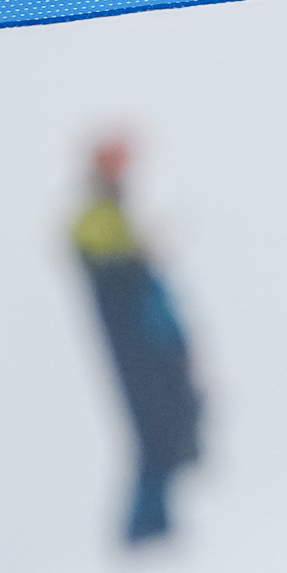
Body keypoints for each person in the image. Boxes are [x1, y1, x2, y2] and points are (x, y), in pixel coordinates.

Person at [71, 137, 202, 546]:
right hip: (140, 353)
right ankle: (145, 529)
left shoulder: (116, 218)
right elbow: (106, 263)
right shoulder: (97, 219)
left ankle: (155, 525)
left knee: (170, 434)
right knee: (156, 439)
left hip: (154, 350)